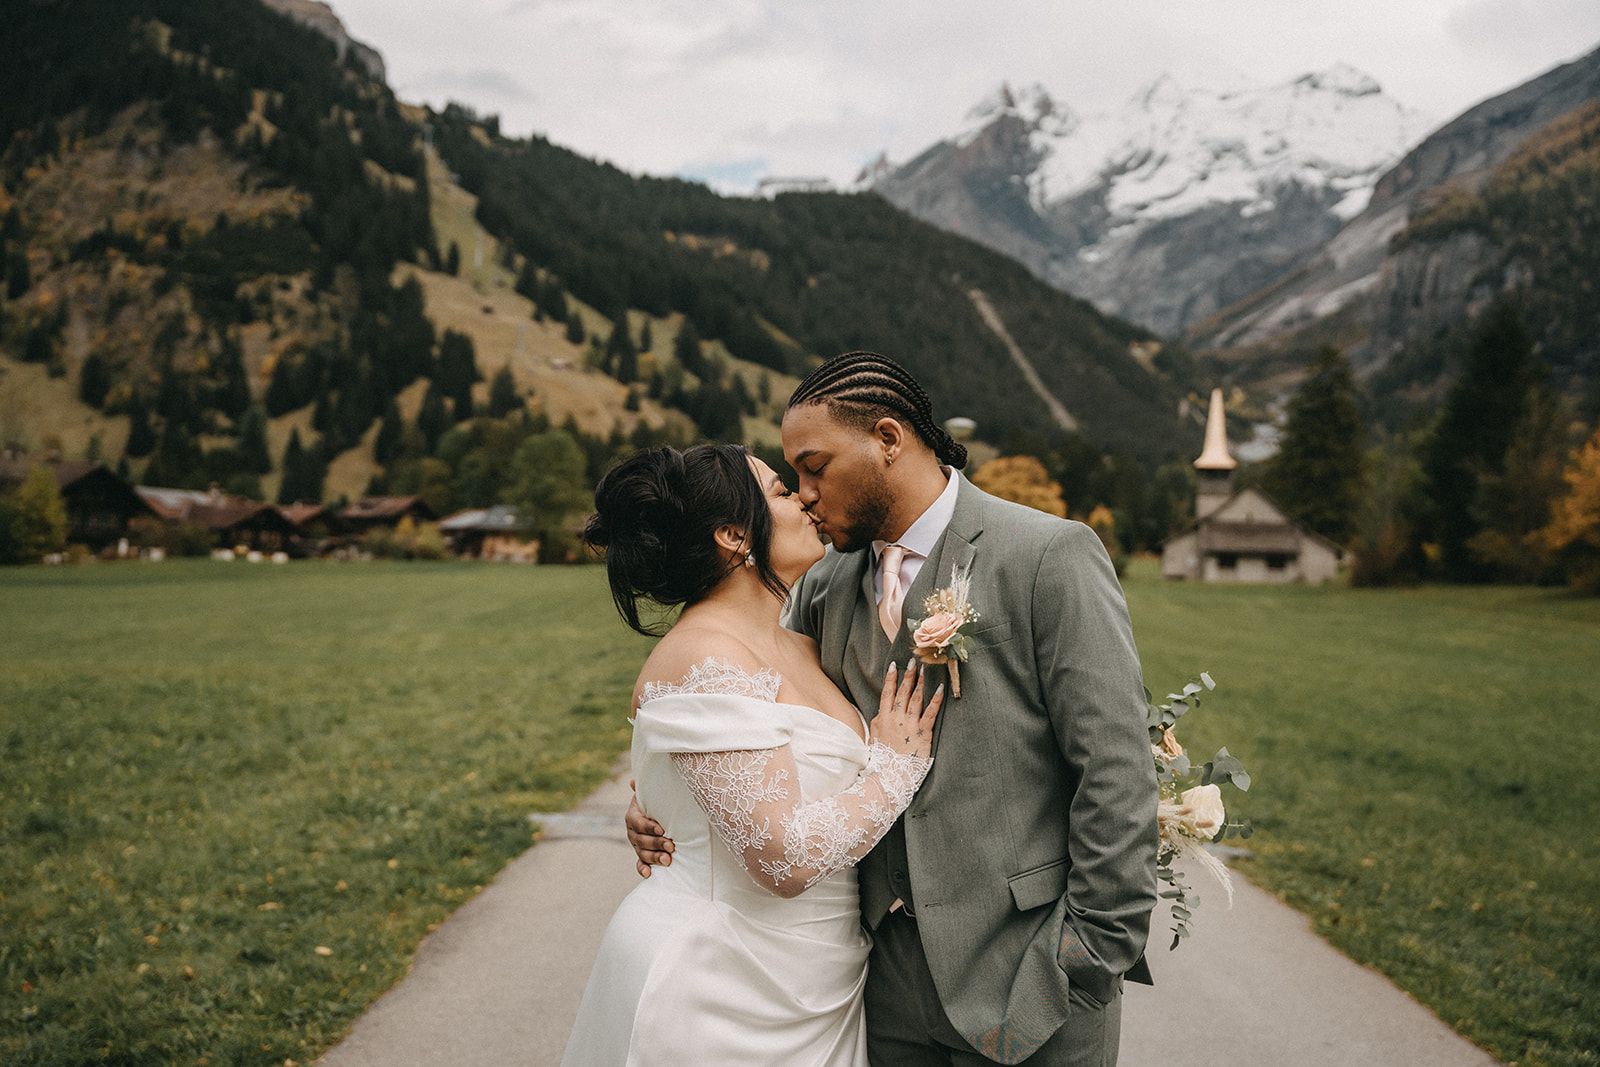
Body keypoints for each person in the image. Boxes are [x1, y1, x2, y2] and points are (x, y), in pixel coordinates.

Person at [628, 351, 1159, 1065]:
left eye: (814, 467)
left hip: (1031, 972)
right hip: (880, 987)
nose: (805, 493)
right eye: (793, 480)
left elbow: (1116, 768)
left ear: (887, 437)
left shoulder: (1047, 555)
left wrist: (1090, 952)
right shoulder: (823, 583)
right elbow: (748, 720)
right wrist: (665, 805)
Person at [562, 441, 947, 1066]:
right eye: (778, 490)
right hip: (722, 986)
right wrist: (895, 767)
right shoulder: (703, 660)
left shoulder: (799, 644)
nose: (802, 500)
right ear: (734, 537)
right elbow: (783, 860)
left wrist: (661, 807)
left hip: (817, 975)